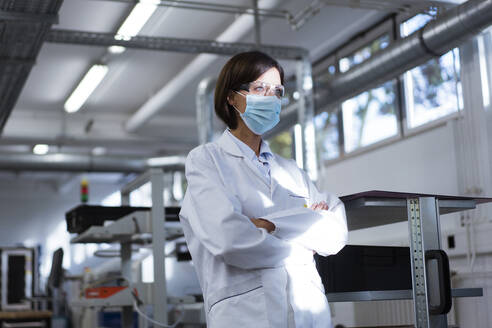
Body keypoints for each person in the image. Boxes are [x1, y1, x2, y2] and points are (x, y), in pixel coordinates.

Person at [179, 51, 348, 328]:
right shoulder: (206, 161)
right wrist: (304, 239)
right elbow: (231, 240)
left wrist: (268, 225)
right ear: (231, 97)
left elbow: (335, 234)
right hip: (246, 315)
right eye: (260, 88)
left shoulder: (292, 171)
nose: (271, 98)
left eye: (277, 91)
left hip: (309, 315)